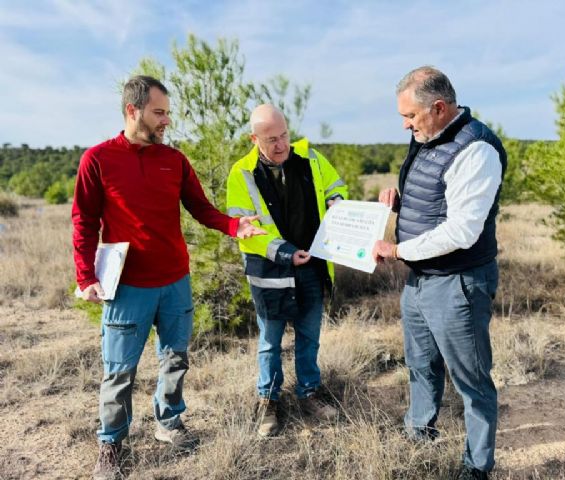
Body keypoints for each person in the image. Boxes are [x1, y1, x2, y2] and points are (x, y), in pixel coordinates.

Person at [72, 75, 265, 480]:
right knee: (119, 369)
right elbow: (84, 221)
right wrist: (85, 275)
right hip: (126, 288)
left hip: (175, 280)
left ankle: (169, 422)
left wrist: (234, 227)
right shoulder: (99, 159)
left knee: (175, 359)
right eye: (159, 113)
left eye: (167, 113)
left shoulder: (173, 160)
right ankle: (111, 443)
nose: (166, 121)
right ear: (133, 110)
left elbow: (201, 208)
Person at [373, 66, 506, 480]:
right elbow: (434, 199)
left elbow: (462, 230)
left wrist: (397, 250)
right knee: (420, 363)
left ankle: (477, 465)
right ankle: (420, 432)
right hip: (421, 280)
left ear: (439, 107)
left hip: (459, 283)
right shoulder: (428, 138)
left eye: (410, 116)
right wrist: (399, 201)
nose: (405, 125)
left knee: (471, 379)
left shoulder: (476, 149)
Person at [226, 104, 348, 437]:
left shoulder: (312, 158)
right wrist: (285, 253)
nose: (281, 145)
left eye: (284, 136)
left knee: (309, 338)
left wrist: (337, 202)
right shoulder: (241, 174)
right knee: (270, 342)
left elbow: (337, 187)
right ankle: (268, 400)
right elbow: (245, 230)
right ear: (254, 139)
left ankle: (309, 392)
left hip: (312, 268)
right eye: (271, 140)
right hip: (270, 272)